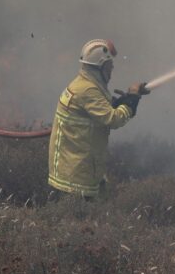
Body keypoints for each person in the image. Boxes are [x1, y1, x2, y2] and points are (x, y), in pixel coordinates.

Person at [48, 39, 149, 198]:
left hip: (74, 169)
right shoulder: (88, 90)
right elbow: (114, 119)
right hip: (76, 177)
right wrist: (132, 100)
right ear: (100, 67)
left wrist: (122, 102)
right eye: (109, 65)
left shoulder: (85, 84)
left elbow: (98, 110)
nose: (112, 68)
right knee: (81, 219)